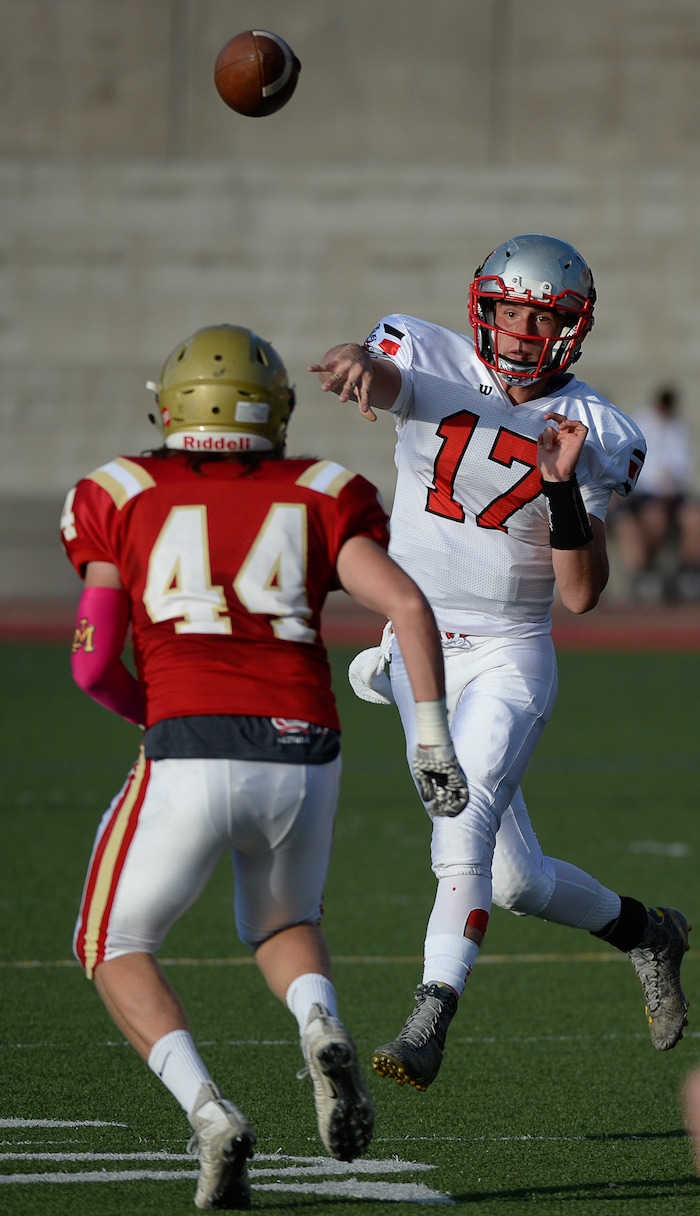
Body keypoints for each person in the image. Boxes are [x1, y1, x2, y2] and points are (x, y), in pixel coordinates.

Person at [60, 324, 468, 1209]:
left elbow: (91, 664)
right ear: (273, 410)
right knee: (282, 923)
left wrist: (155, 717)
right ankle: (317, 1020)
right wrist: (431, 740)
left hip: (188, 747)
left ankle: (209, 1112)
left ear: (171, 408)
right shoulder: (322, 488)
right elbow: (404, 602)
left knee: (112, 943)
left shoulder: (119, 490)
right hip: (303, 750)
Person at [309, 233, 691, 1093]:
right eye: (509, 311)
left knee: (464, 822)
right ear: (483, 306)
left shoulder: (595, 429)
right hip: (417, 650)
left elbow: (583, 594)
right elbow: (392, 377)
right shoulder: (424, 348)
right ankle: (647, 932)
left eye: (541, 316)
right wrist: (356, 364)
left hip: (510, 652)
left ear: (572, 327)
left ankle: (430, 1013)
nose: (520, 331)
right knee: (515, 880)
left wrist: (561, 485)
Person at [611, 386, 700, 601]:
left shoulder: (677, 426)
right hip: (647, 492)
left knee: (694, 516)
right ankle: (646, 572)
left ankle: (689, 571)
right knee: (654, 518)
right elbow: (637, 467)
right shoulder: (641, 424)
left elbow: (682, 464)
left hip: (673, 492)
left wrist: (672, 482)